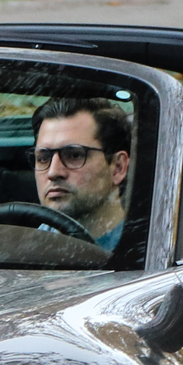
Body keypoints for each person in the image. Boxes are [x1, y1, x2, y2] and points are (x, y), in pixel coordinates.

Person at [32, 98, 134, 251]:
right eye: (43, 158)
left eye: (74, 155)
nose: (53, 172)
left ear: (118, 167)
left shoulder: (146, 250)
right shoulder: (28, 246)